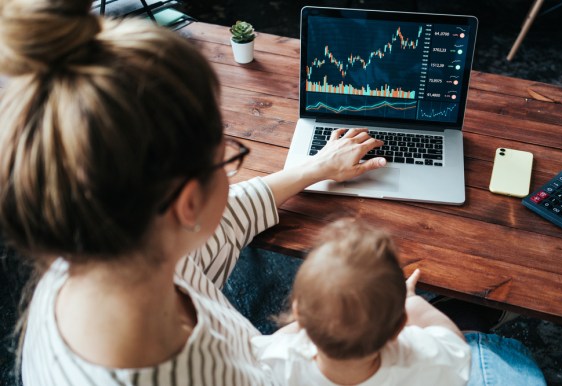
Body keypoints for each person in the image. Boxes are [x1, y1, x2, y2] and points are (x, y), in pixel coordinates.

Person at [0, 0, 387, 385]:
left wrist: (314, 168)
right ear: (187, 203)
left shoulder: (97, 253)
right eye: (226, 159)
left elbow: (215, 231)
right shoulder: (206, 374)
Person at [252, 219, 472, 386]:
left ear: (298, 313)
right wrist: (411, 300)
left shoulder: (276, 360)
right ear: (399, 327)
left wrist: (307, 319)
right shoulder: (423, 356)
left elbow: (272, 343)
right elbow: (455, 342)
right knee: (472, 323)